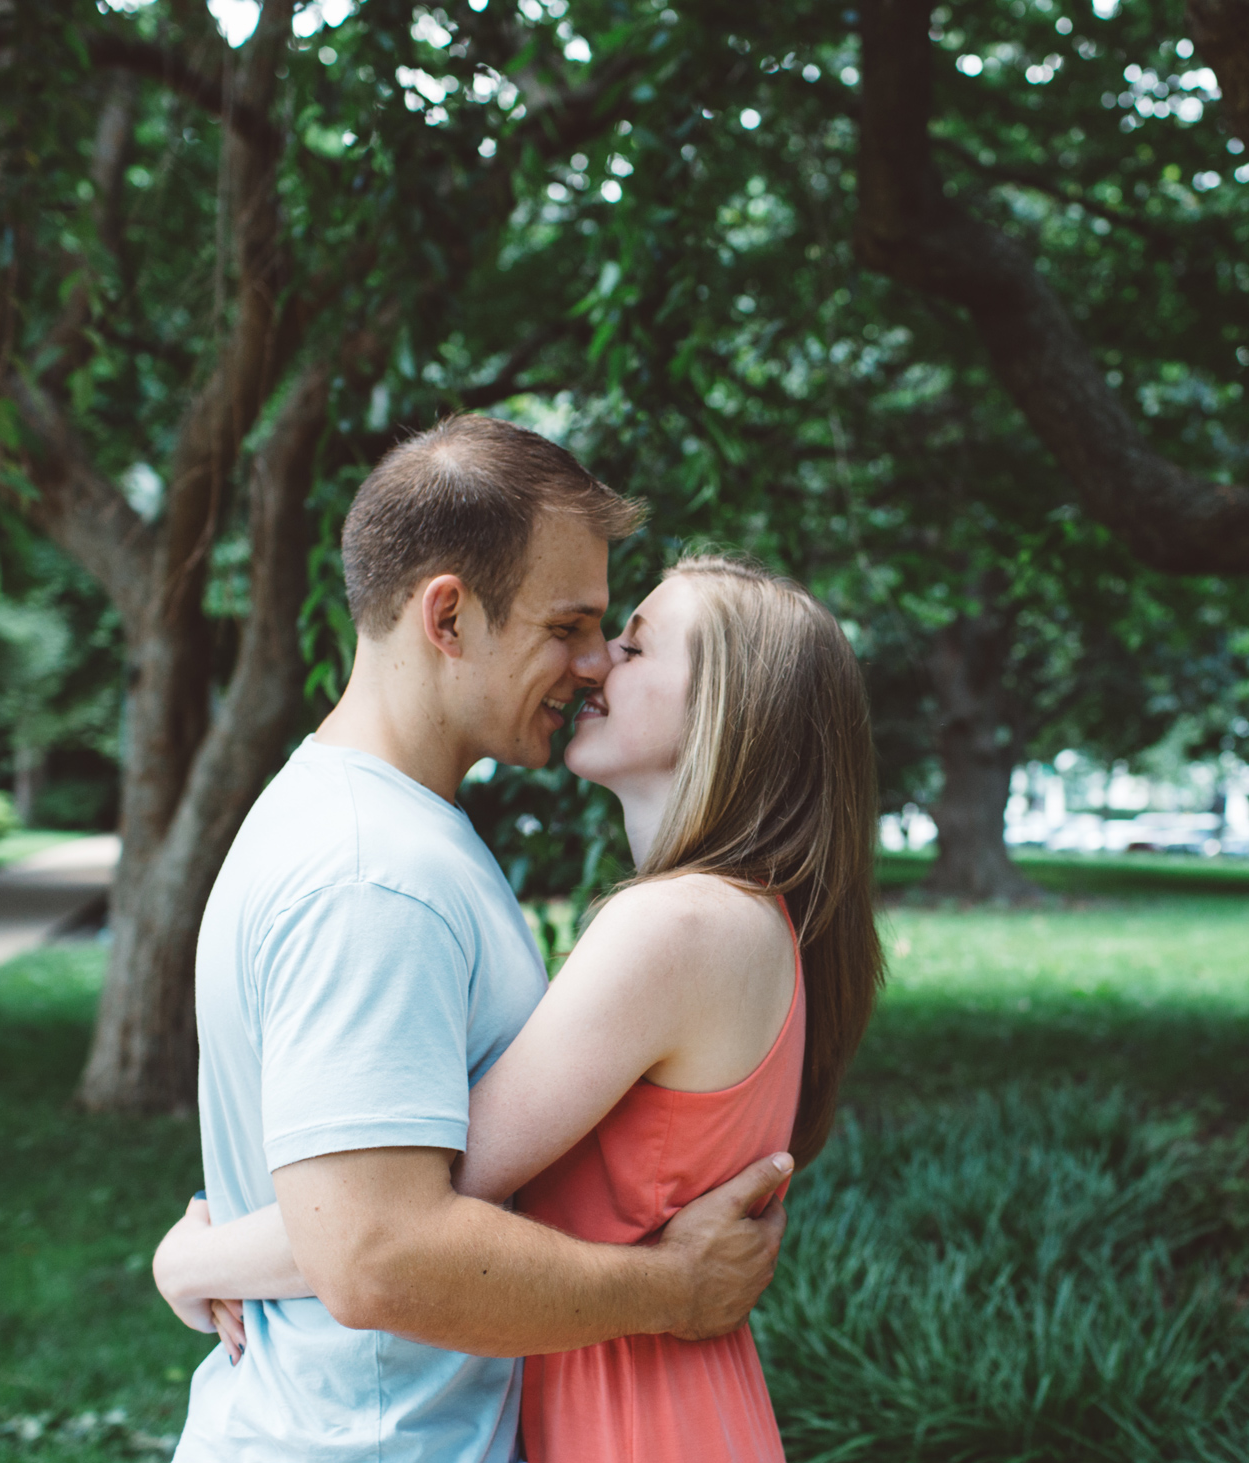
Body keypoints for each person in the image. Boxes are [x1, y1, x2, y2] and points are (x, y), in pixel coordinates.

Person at [153, 417, 800, 1463]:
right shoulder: (376, 872)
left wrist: (208, 1239)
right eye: (570, 625)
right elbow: (375, 1250)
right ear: (448, 616)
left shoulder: (390, 830)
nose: (593, 664)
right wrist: (677, 1289)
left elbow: (370, 1174)